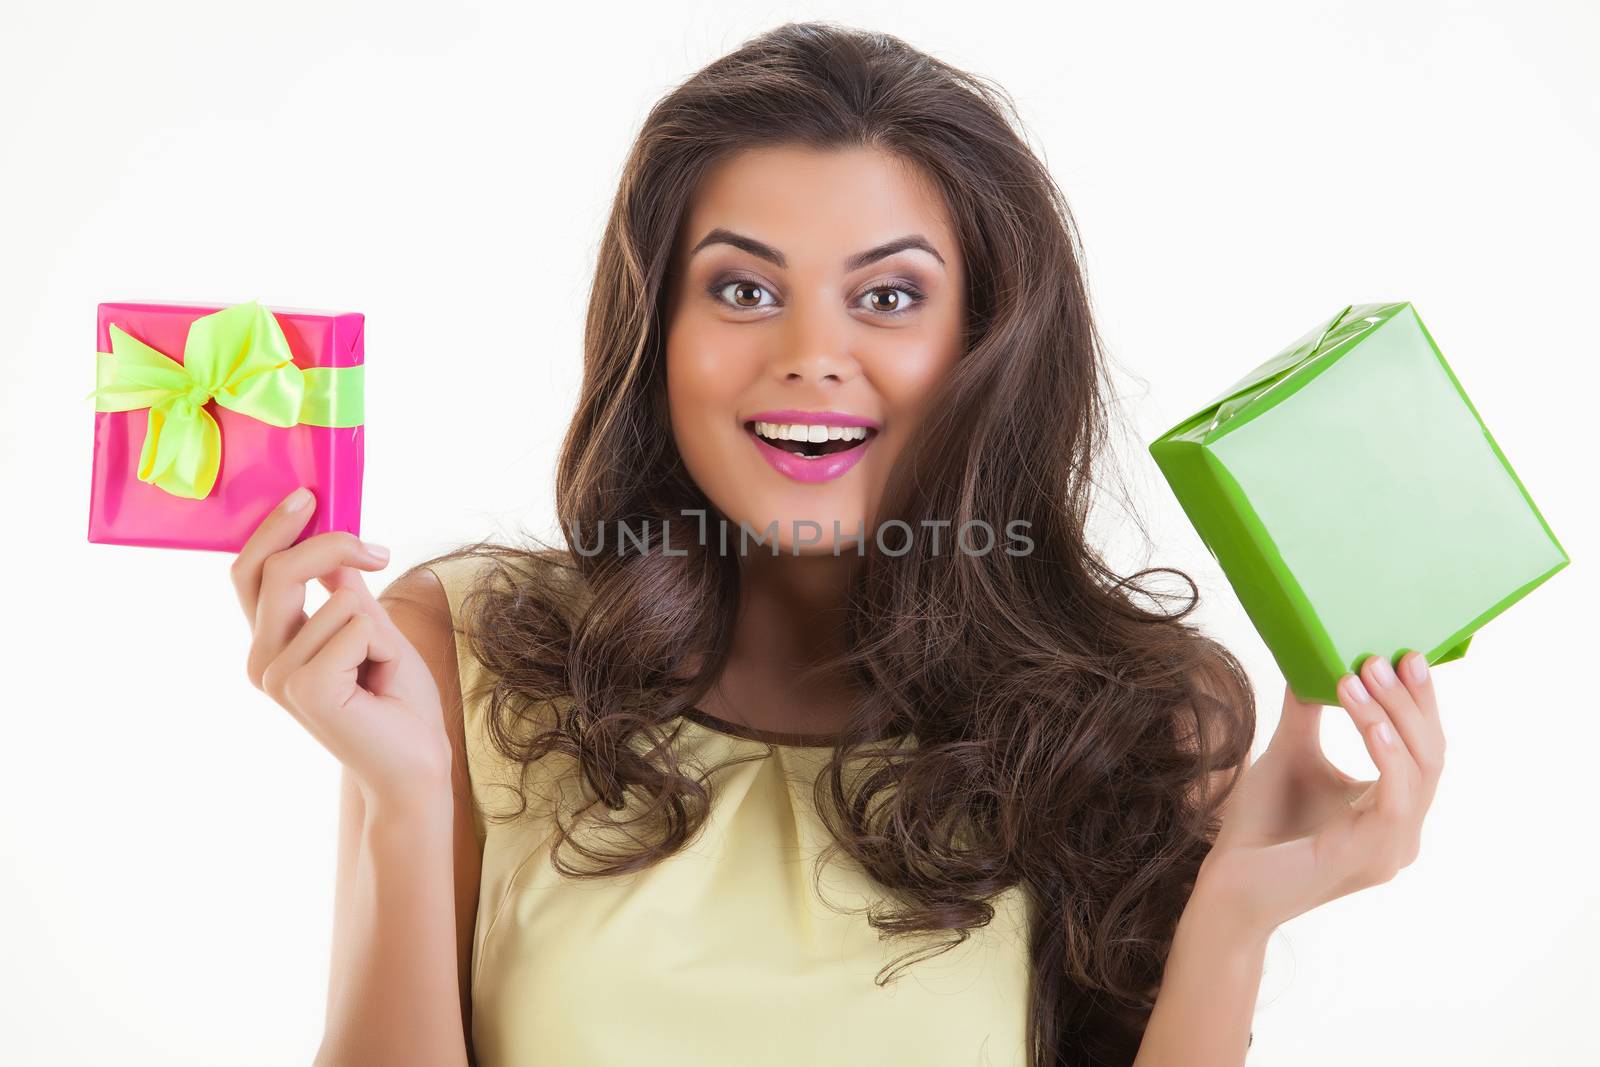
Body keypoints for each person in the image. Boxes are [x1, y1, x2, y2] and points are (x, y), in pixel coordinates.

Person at [230, 21, 1446, 1067]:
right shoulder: (463, 648)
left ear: (987, 338)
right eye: (744, 290)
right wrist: (403, 796)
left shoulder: (1141, 716)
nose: (811, 353)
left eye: (890, 295)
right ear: (656, 331)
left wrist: (1235, 914)